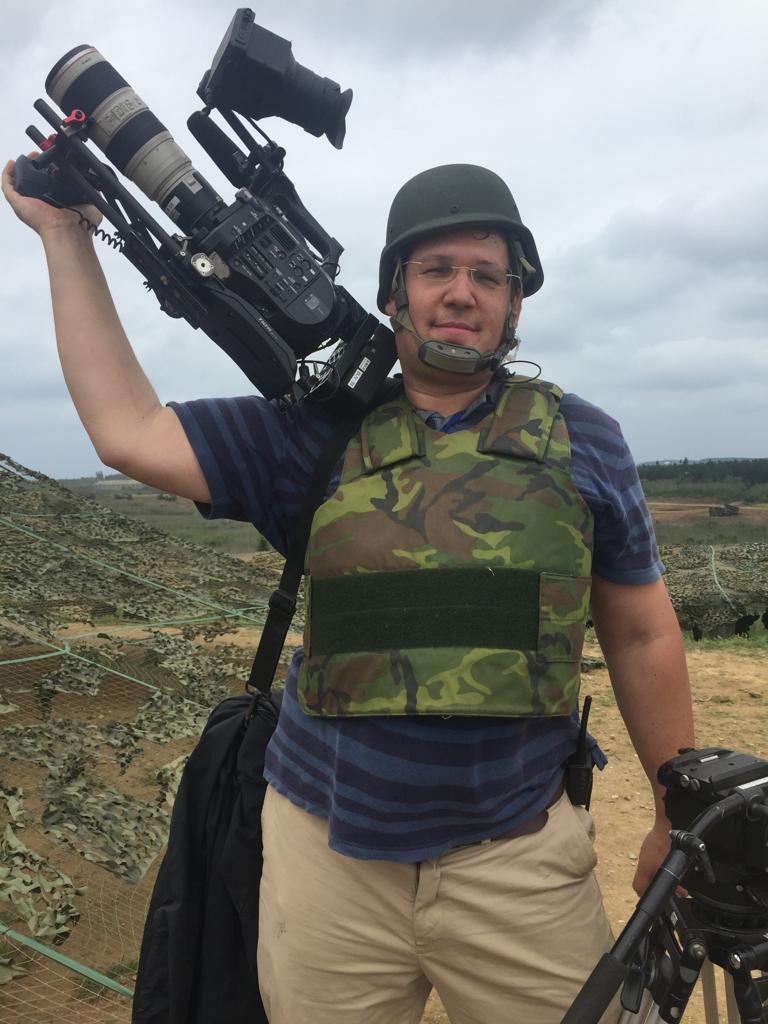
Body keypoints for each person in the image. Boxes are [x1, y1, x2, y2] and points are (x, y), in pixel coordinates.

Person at [3, 158, 694, 1024]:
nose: (461, 292)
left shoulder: (584, 439)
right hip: (327, 866)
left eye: (488, 275)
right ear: (393, 295)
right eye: (436, 269)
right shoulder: (315, 435)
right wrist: (67, 239)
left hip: (519, 862)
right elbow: (127, 429)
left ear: (516, 302)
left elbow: (640, 634)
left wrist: (675, 809)